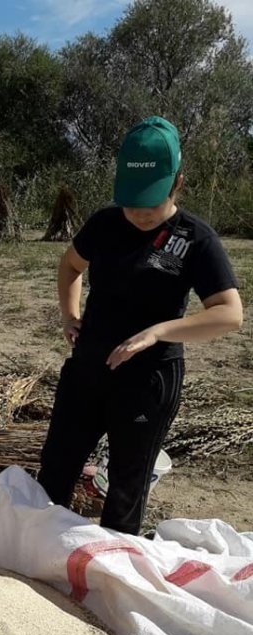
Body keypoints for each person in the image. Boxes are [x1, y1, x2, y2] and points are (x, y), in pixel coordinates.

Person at [37, 116, 243, 535]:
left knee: (125, 489)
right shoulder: (105, 224)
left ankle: (107, 578)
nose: (140, 213)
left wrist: (158, 332)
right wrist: (69, 315)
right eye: (131, 202)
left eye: (150, 202)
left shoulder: (196, 239)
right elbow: (71, 265)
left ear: (177, 182)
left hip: (148, 380)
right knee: (54, 473)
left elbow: (229, 313)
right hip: (90, 367)